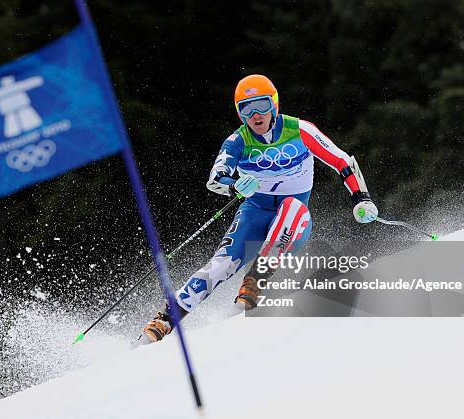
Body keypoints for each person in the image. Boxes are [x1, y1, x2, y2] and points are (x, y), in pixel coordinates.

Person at [138, 74, 378, 344]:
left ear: (274, 104)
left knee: (292, 208)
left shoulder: (300, 130)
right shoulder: (237, 141)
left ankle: (256, 279)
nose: (255, 115)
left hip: (292, 223)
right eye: (246, 108)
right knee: (221, 266)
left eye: (262, 105)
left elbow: (342, 161)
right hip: (254, 214)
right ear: (240, 113)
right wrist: (236, 185)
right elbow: (215, 180)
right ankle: (164, 320)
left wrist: (362, 198)